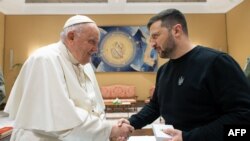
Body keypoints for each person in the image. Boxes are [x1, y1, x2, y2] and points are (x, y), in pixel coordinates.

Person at [119, 9, 250, 141]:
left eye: (155, 36)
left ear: (176, 31)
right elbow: (155, 106)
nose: (151, 43)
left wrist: (189, 137)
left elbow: (243, 117)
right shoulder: (164, 71)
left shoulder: (217, 62)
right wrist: (131, 123)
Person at [4, 15, 134, 141]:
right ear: (71, 37)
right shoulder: (45, 59)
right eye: (91, 42)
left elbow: (95, 109)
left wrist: (108, 133)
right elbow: (62, 120)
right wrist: (110, 130)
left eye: (97, 43)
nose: (95, 49)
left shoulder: (85, 65)